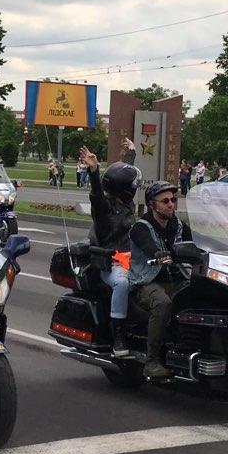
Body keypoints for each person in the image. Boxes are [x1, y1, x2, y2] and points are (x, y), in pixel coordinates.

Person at [128, 181, 191, 379]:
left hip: (176, 279)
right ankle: (152, 362)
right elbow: (150, 248)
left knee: (204, 296)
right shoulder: (141, 227)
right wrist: (158, 254)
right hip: (146, 281)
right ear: (152, 205)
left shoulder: (178, 225)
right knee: (162, 304)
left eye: (173, 200)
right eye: (165, 201)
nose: (171, 204)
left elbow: (196, 244)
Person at [81, 145, 141, 357]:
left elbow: (123, 178)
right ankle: (118, 334)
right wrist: (94, 171)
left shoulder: (126, 203)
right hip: (111, 263)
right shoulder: (104, 211)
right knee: (122, 283)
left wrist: (131, 154)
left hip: (134, 261)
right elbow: (97, 195)